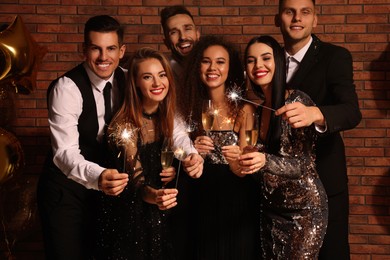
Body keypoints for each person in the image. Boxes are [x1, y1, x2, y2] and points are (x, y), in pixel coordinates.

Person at [37, 15, 203, 260]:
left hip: (111, 194)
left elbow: (172, 124)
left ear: (122, 50)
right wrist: (98, 176)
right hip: (68, 192)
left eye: (111, 49)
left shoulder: (133, 78)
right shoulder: (67, 88)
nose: (104, 57)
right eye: (96, 49)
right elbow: (64, 154)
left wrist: (190, 152)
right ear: (84, 50)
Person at [275, 0, 362, 258]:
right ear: (277, 19)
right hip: (280, 188)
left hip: (324, 182)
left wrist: (315, 113)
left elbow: (351, 111)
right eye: (289, 12)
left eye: (305, 12)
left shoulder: (335, 57)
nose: (297, 18)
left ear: (315, 20)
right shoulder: (269, 59)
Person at [238, 35, 328, 259]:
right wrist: (244, 159)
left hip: (304, 211)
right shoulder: (257, 111)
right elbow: (262, 170)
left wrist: (265, 160)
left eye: (265, 58)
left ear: (278, 62)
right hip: (270, 211)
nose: (258, 65)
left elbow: (303, 165)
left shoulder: (297, 102)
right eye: (251, 60)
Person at [178, 35, 260, 260]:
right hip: (197, 197)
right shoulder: (187, 107)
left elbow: (246, 164)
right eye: (206, 61)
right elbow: (173, 151)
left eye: (220, 62)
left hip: (235, 199)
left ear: (230, 68)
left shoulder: (244, 110)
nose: (212, 67)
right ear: (197, 66)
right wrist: (191, 150)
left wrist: (237, 157)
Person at [96, 47, 181, 259]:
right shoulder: (124, 125)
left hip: (163, 213)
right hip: (131, 217)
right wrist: (156, 196)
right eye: (147, 77)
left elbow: (175, 155)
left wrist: (172, 169)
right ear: (135, 83)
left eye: (161, 75)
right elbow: (136, 183)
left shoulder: (168, 117)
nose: (157, 83)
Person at [160, 5, 200, 83]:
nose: (183, 37)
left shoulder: (213, 68)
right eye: (174, 32)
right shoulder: (162, 75)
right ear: (166, 43)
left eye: (187, 29)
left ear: (197, 34)